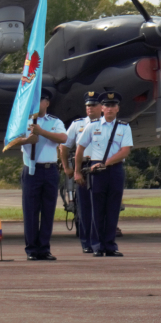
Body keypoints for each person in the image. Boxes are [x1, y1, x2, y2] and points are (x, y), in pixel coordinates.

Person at [75, 91, 134, 257]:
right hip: (96, 170)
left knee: (113, 209)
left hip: (114, 169)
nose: (109, 108)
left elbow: (125, 151)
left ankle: (110, 245)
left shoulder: (124, 127)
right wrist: (77, 171)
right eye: (106, 105)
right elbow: (79, 149)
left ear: (118, 109)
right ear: (101, 108)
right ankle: (97, 245)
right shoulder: (92, 127)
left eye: (113, 105)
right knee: (97, 209)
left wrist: (106, 163)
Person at [20, 89, 68, 260]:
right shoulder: (23, 121)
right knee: (31, 211)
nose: (38, 103)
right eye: (35, 100)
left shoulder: (54, 121)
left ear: (47, 103)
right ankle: (32, 250)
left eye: (41, 100)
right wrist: (26, 140)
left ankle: (44, 248)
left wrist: (42, 132)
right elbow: (9, 141)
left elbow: (63, 138)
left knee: (48, 211)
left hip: (50, 170)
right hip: (32, 169)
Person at [61, 94, 101, 253]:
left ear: (101, 107)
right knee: (84, 207)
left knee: (101, 207)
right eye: (87, 105)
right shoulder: (77, 125)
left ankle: (99, 241)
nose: (90, 108)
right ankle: (87, 242)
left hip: (101, 166)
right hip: (83, 166)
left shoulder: (108, 125)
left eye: (93, 105)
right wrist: (67, 168)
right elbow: (64, 146)